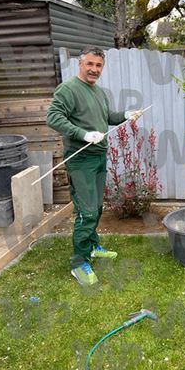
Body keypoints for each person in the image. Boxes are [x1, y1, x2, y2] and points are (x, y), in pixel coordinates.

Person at [47, 46, 142, 286]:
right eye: (90, 64)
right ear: (80, 64)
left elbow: (105, 116)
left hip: (99, 156)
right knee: (86, 211)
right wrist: (82, 134)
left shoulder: (98, 91)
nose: (94, 69)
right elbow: (54, 117)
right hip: (80, 160)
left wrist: (126, 114)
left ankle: (91, 246)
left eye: (99, 65)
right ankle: (79, 263)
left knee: (96, 208)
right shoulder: (68, 89)